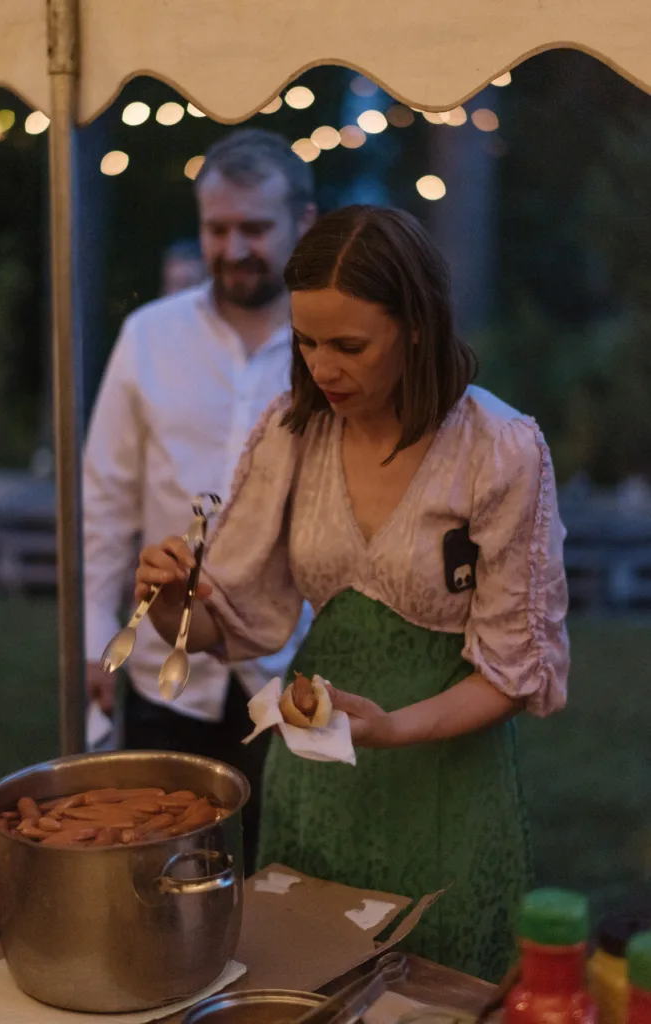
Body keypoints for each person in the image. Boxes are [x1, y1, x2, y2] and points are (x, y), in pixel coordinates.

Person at [136, 205, 570, 982]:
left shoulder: (498, 451)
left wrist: (391, 729)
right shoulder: (293, 432)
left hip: (444, 781)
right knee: (305, 986)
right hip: (316, 777)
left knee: (439, 989)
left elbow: (513, 669)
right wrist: (169, 600)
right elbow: (232, 619)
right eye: (306, 341)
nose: (322, 367)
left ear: (416, 328)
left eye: (348, 345)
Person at [83, 128, 317, 874]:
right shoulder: (148, 336)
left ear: (302, 224)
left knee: (291, 885)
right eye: (218, 228)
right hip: (163, 667)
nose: (234, 247)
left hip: (295, 673)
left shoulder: (330, 347)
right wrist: (93, 636)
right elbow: (105, 501)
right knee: (163, 877)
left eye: (255, 227)